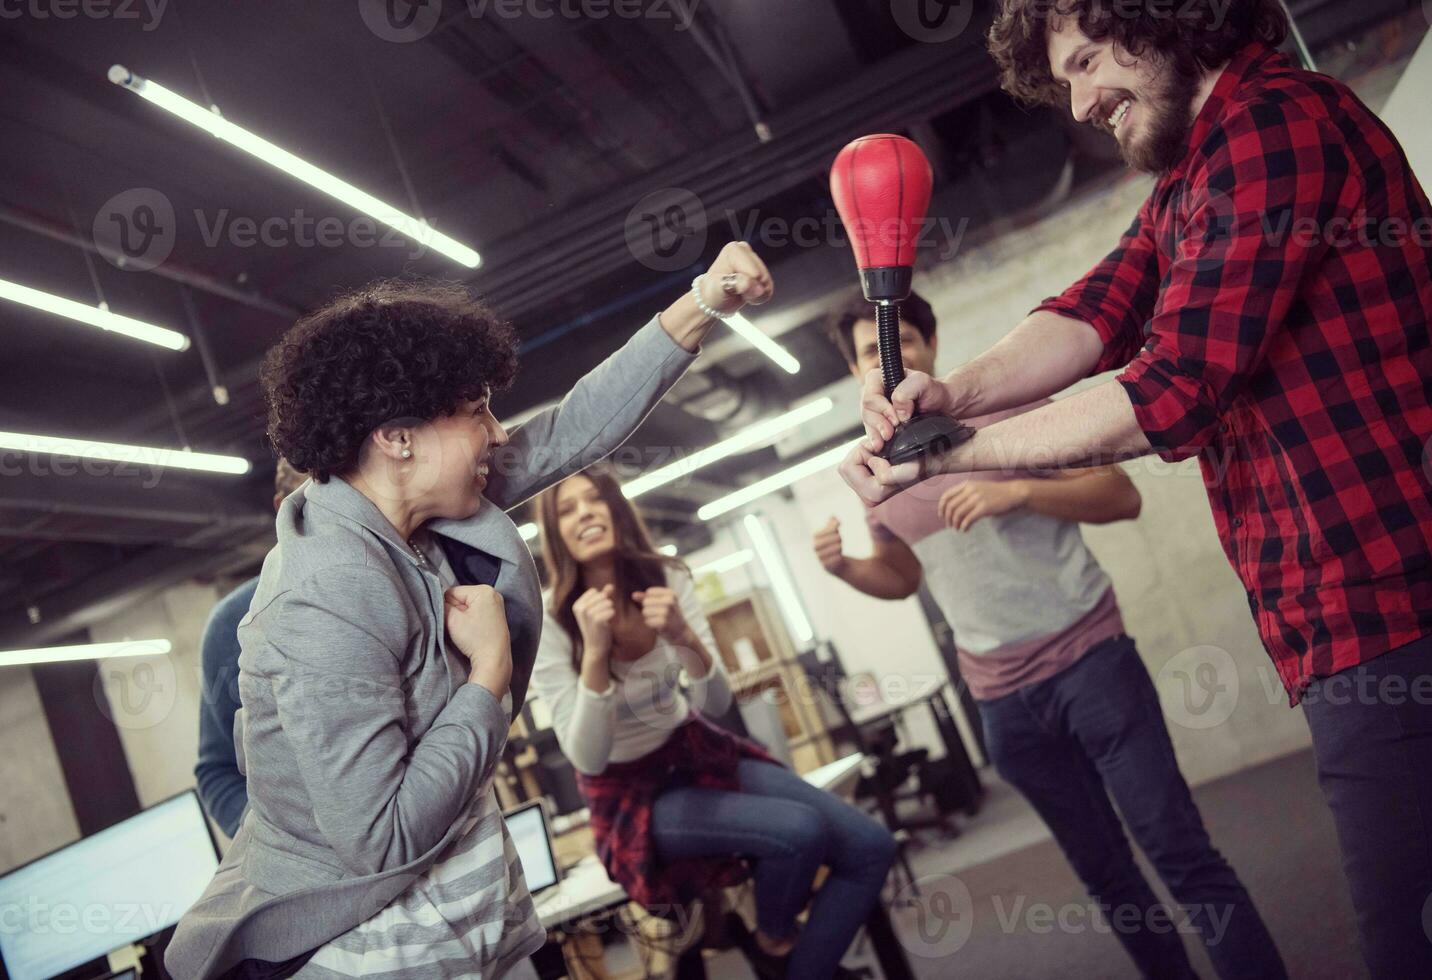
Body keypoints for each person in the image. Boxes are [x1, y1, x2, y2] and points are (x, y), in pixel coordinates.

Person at [840, 3, 1432, 976]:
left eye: (1088, 62)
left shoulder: (1275, 127)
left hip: (1409, 602)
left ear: (1166, 16)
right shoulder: (1192, 179)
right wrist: (953, 393)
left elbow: (1172, 385)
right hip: (1349, 619)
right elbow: (1095, 313)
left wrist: (954, 453)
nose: (1083, 102)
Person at [165, 242, 773, 980]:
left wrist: (704, 302)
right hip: (377, 946)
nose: (497, 433)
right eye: (476, 411)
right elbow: (381, 837)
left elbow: (575, 427)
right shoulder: (321, 600)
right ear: (396, 436)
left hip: (466, 908)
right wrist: (488, 673)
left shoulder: (415, 514)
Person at [818, 292, 1284, 979]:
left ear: (929, 347)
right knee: (1109, 880)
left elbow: (1121, 496)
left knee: (1179, 853)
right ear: (856, 371)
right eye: (871, 352)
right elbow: (904, 574)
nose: (891, 358)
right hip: (1003, 702)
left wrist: (1020, 491)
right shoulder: (879, 465)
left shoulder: (1005, 415)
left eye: (905, 341)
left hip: (1091, 662)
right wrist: (848, 569)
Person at [529, 466, 896, 980]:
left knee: (869, 846)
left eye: (595, 500)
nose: (585, 513)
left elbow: (717, 699)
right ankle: (781, 947)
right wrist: (593, 655)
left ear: (615, 509)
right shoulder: (550, 620)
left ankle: (778, 947)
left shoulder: (668, 577)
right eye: (567, 509)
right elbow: (586, 757)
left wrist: (684, 635)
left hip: (694, 749)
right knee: (800, 832)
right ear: (554, 533)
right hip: (631, 794)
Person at [194, 458, 307, 839]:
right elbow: (217, 772)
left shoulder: (399, 584)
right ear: (283, 507)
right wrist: (281, 841)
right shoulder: (233, 622)